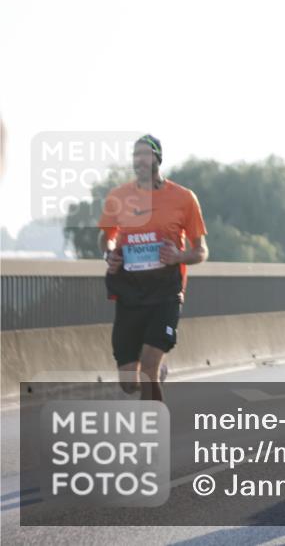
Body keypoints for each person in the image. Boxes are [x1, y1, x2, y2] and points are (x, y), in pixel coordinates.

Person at [99, 134, 208, 401]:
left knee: (148, 367)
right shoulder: (119, 197)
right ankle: (157, 373)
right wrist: (109, 253)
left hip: (165, 294)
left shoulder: (184, 198)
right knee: (128, 382)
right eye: (136, 155)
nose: (140, 159)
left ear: (158, 158)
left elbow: (201, 251)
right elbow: (106, 237)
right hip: (129, 293)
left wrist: (178, 256)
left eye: (146, 153)